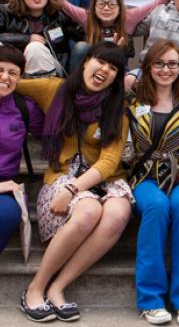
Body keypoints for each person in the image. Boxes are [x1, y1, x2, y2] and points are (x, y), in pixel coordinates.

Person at [17, 42, 133, 323]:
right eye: (100, 61)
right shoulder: (54, 89)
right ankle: (35, 287)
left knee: (118, 213)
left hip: (104, 179)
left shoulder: (117, 109)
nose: (104, 69)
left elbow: (109, 161)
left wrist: (74, 189)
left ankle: (58, 287)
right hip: (63, 174)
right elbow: (11, 81)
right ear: (85, 61)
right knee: (89, 211)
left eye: (113, 67)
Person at [126, 40, 179, 326]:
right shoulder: (131, 103)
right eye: (159, 63)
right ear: (147, 67)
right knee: (157, 205)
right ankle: (151, 299)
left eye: (172, 64)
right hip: (144, 175)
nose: (165, 69)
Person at [0, 45, 44, 254]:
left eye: (12, 73)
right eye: (0, 70)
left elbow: (51, 133)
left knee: (7, 214)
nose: (5, 77)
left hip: (5, 186)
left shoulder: (24, 107)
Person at [0, 0, 85, 77]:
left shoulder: (58, 15)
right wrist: (27, 39)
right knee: (34, 46)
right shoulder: (5, 12)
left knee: (36, 48)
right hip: (14, 71)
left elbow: (84, 36)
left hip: (53, 73)